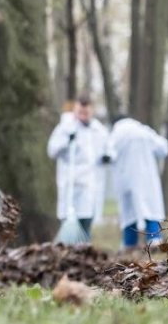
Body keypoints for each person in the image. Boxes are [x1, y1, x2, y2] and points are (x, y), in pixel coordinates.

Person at [46, 96, 109, 240]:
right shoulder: (65, 128)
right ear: (75, 110)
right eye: (79, 112)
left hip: (90, 182)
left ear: (91, 111)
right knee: (69, 219)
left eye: (85, 113)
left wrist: (107, 156)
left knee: (86, 218)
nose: (82, 116)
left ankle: (85, 251)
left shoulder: (98, 129)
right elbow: (52, 150)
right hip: (71, 182)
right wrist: (67, 141)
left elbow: (107, 148)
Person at [106, 114, 168, 248]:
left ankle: (129, 243)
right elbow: (163, 148)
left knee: (129, 213)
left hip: (125, 179)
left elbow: (108, 154)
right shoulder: (144, 131)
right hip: (147, 178)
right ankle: (155, 239)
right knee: (150, 208)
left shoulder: (116, 134)